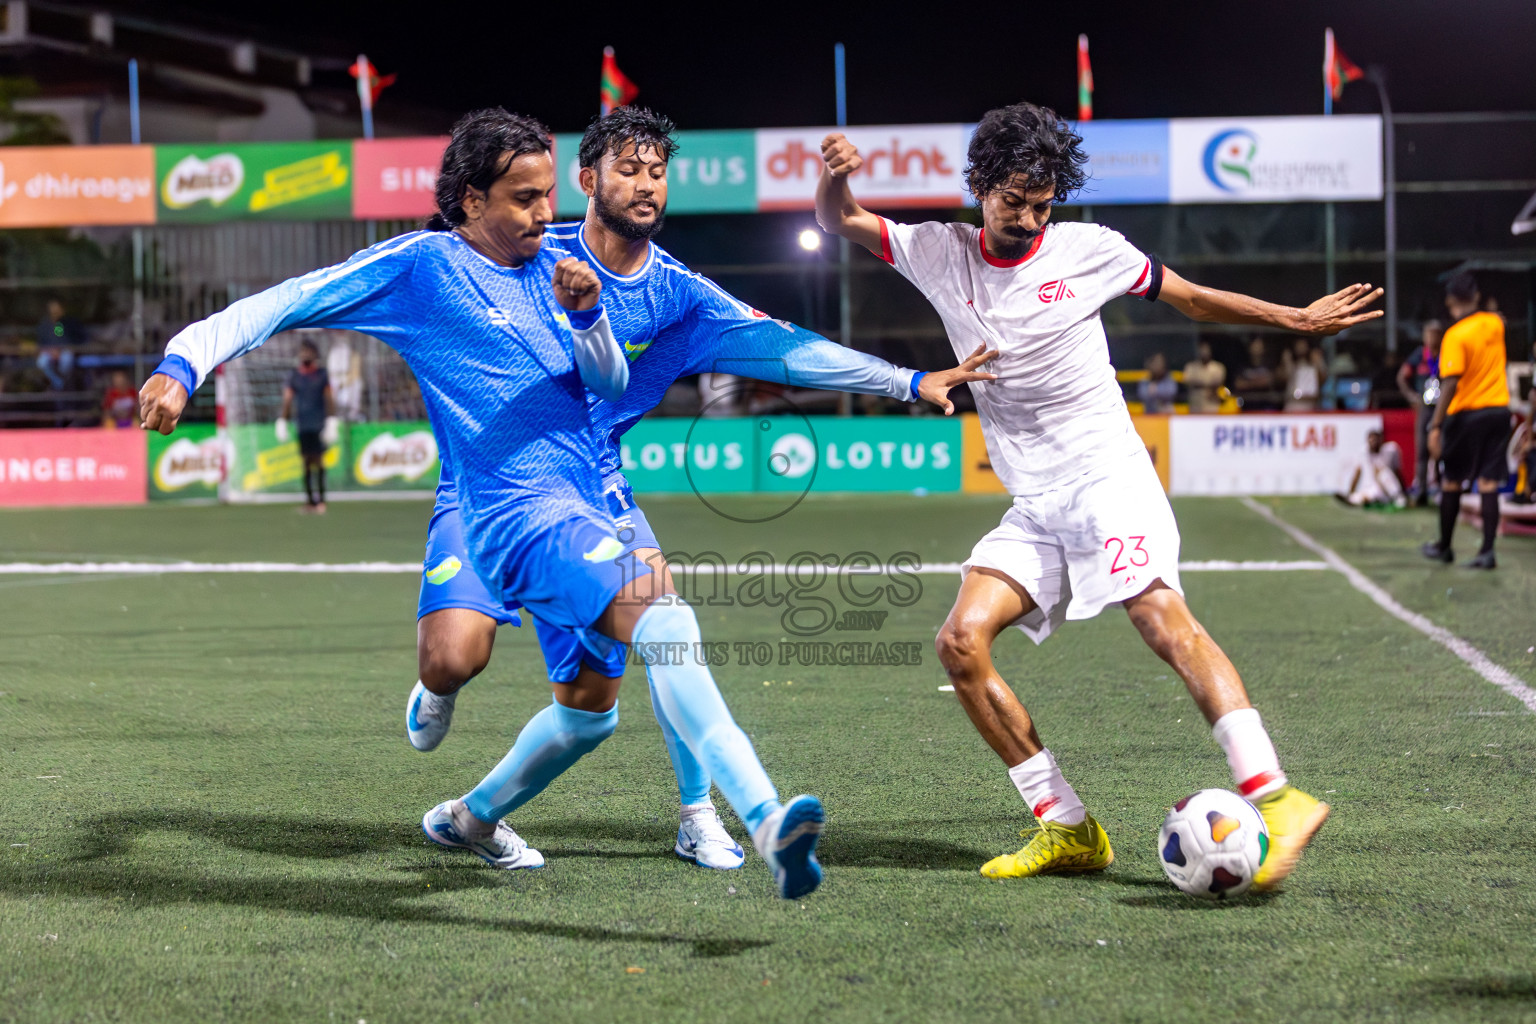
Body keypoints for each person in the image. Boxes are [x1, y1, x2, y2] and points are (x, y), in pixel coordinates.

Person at [138, 107, 827, 900]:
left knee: (599, 703)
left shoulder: (563, 267)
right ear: (471, 201)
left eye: (548, 197)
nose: (547, 217)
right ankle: (758, 818)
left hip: (578, 507)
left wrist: (591, 315)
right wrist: (182, 364)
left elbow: (607, 380)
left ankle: (483, 818)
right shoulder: (423, 267)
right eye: (525, 199)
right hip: (500, 510)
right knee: (509, 649)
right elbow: (282, 302)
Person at [408, 106, 994, 872]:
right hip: (487, 483)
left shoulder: (679, 296)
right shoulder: (524, 250)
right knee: (453, 659)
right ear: (587, 180)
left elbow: (788, 350)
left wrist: (908, 380)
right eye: (628, 169)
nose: (647, 186)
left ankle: (693, 815)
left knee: (623, 673)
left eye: (657, 172)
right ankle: (438, 686)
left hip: (593, 488)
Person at [816, 101, 1381, 889]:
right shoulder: (935, 251)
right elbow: (841, 218)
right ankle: (1068, 826)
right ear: (981, 185)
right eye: (1014, 199)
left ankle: (1274, 795)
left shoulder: (1091, 251)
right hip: (1036, 503)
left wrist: (1290, 316)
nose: (1028, 216)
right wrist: (833, 179)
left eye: (1043, 203)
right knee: (959, 643)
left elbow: (1189, 298)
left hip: (1111, 477)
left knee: (1158, 616)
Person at [1422, 271, 1510, 570]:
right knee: (1488, 483)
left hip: (1466, 414)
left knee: (1452, 481)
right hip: (1498, 410)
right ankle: (1487, 551)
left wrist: (1435, 425)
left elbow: (1450, 383)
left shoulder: (1455, 335)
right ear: (1475, 296)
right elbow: (1499, 318)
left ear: (1450, 301)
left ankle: (1445, 547)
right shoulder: (1495, 324)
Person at [276, 339, 338, 513]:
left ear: (315, 354)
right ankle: (310, 501)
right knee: (305, 461)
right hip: (303, 424)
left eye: (308, 351)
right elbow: (287, 400)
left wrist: (331, 420)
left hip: (318, 423)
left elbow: (329, 398)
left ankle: (322, 501)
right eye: (302, 352)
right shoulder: (295, 376)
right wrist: (282, 420)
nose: (305, 355)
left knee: (319, 461)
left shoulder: (322, 374)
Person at [1397, 320, 1443, 504]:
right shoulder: (1419, 356)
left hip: (1442, 407)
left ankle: (1442, 487)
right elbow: (1402, 376)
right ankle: (1422, 491)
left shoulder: (1447, 354)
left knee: (1442, 447)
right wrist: (1411, 397)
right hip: (1425, 407)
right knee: (1422, 449)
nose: (1432, 338)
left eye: (1435, 334)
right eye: (1429, 334)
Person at [1336, 429, 1405, 508]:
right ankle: (1351, 499)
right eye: (1371, 440)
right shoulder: (1364, 453)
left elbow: (1397, 472)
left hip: (1388, 487)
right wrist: (1351, 492)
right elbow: (1357, 473)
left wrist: (1403, 490)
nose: (1374, 443)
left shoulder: (1391, 450)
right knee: (1362, 496)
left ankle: (1399, 498)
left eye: (1376, 440)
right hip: (1373, 488)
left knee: (1384, 473)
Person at [36, 299, 85, 391]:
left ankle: (64, 383)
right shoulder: (44, 324)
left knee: (66, 361)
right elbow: (41, 342)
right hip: (49, 351)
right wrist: (50, 351)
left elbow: (77, 339)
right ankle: (58, 383)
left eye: (57, 310)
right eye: (53, 310)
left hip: (66, 351)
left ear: (62, 310)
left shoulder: (70, 323)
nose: (55, 312)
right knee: (41, 362)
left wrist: (62, 350)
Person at [1280, 337, 1327, 412]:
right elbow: (1281, 379)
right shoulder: (1290, 363)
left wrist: (1318, 364)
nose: (1301, 346)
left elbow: (1323, 381)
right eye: (1299, 344)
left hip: (1310, 405)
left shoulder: (1314, 362)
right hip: (1292, 404)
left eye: (1303, 344)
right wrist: (1286, 362)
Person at [1233, 338, 1278, 411]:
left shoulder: (1268, 365)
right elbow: (1238, 384)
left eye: (1259, 346)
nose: (1257, 348)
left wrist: (1248, 382)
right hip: (1247, 405)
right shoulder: (1243, 367)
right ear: (1250, 348)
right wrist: (1258, 382)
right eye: (1255, 345)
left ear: (1264, 348)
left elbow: (1269, 381)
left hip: (1265, 405)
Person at [1183, 340, 1226, 414]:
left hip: (1212, 406)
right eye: (1202, 350)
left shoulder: (1218, 367)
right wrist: (1207, 383)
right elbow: (1187, 381)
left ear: (1210, 351)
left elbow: (1216, 383)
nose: (1204, 352)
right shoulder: (1190, 367)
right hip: (1195, 406)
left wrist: (1198, 383)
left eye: (1206, 350)